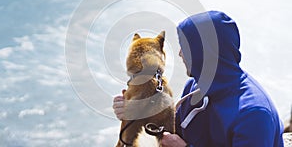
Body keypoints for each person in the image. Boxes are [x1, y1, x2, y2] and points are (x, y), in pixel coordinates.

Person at [113, 11, 284, 147]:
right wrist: (134, 113)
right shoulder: (195, 87)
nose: (180, 53)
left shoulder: (253, 113)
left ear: (205, 53)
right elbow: (170, 134)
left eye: (186, 47)